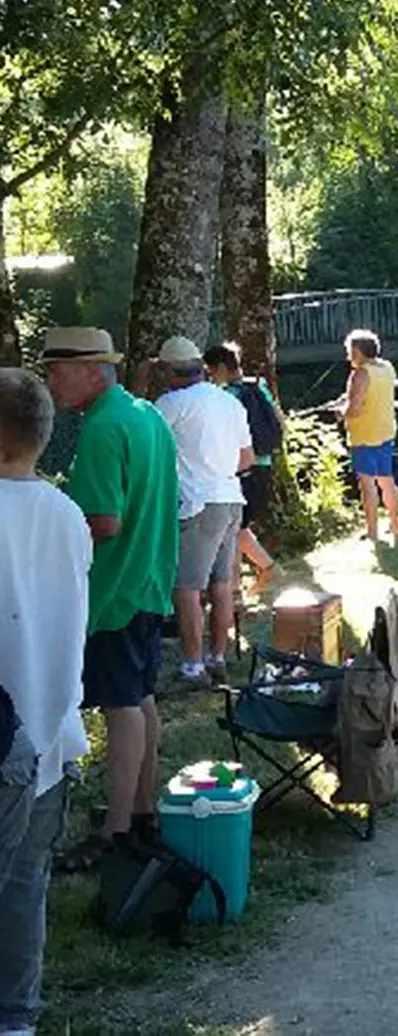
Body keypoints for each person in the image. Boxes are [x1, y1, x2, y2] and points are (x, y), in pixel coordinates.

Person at [41, 327, 177, 870]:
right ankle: (142, 811)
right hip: (149, 581)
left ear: (93, 371)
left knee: (121, 707)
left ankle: (116, 831)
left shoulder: (101, 428)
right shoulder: (148, 417)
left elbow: (103, 520)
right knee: (141, 699)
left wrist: (51, 512)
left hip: (114, 589)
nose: (50, 381)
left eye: (58, 370)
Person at [0, 369, 91, 1034]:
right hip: (52, 720)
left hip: (6, 730)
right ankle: (18, 1017)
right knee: (26, 885)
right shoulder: (65, 514)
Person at [154, 336, 252, 684]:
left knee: (187, 588)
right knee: (222, 584)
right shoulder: (229, 403)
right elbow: (246, 459)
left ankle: (193, 666)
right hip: (231, 498)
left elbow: (146, 446)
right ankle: (217, 657)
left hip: (197, 502)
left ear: (168, 370)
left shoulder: (171, 404)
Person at [204, 342, 281, 594]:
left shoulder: (228, 397)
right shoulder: (259, 386)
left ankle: (257, 573)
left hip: (241, 469)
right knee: (237, 527)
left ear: (222, 368)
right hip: (265, 465)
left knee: (234, 528)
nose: (210, 377)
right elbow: (279, 421)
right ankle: (241, 584)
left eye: (211, 371)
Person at [340, 329, 398, 544]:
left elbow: (355, 408)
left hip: (364, 434)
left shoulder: (361, 373)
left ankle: (373, 532)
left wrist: (340, 412)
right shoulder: (387, 368)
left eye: (349, 351)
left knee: (367, 484)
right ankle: (394, 526)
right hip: (385, 431)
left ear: (357, 351)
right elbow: (371, 394)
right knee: (387, 480)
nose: (348, 356)